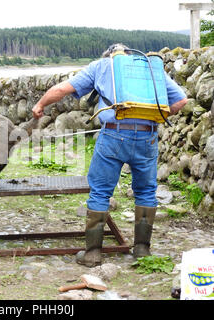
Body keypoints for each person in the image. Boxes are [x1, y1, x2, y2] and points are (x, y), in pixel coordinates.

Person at [32, 44, 187, 267]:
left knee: (101, 191)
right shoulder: (151, 69)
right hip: (147, 138)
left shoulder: (102, 66)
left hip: (114, 135)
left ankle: (93, 254)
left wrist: (40, 104)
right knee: (145, 191)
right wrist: (156, 116)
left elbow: (62, 89)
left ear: (110, 56)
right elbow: (180, 101)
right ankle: (142, 250)